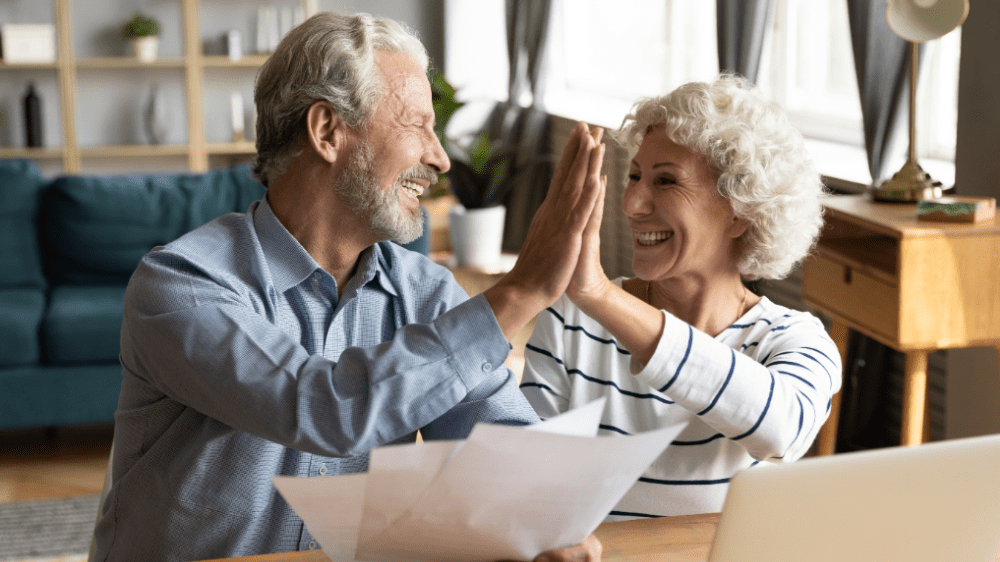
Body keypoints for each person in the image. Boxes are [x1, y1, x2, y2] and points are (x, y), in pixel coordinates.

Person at [92, 12, 603, 562]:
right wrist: (519, 290)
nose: (440, 157)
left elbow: (494, 436)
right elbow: (322, 409)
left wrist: (547, 511)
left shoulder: (424, 294)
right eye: (416, 125)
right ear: (328, 132)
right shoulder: (182, 284)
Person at [520, 74, 842, 521]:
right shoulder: (574, 318)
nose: (632, 203)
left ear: (740, 212)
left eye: (666, 181)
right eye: (634, 176)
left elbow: (781, 430)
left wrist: (600, 296)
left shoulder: (793, 340)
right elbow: (527, 480)